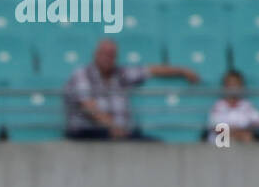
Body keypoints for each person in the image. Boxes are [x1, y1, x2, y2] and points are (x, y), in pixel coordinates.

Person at [64, 38, 199, 140]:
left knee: (154, 145)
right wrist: (113, 126)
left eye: (111, 55)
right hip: (88, 132)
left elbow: (151, 70)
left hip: (120, 134)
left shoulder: (120, 74)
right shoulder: (82, 74)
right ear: (95, 54)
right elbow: (89, 107)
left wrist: (182, 70)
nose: (107, 58)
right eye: (104, 54)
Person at [207, 70, 259, 142]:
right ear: (225, 86)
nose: (233, 87)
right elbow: (217, 128)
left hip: (241, 140)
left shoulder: (246, 105)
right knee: (243, 137)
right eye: (230, 84)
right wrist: (238, 133)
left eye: (236, 84)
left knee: (247, 137)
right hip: (220, 142)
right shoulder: (218, 106)